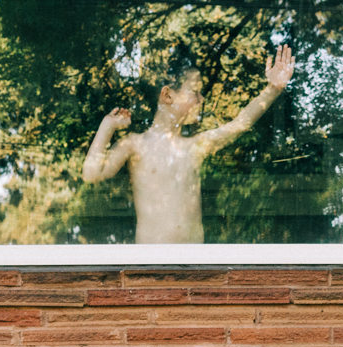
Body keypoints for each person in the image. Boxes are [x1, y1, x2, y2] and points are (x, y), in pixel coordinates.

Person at [83, 45, 295, 244]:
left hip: (194, 264)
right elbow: (91, 174)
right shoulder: (135, 144)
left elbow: (239, 124)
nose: (201, 99)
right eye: (195, 91)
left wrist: (273, 89)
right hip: (150, 264)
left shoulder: (195, 146)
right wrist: (108, 125)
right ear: (167, 95)